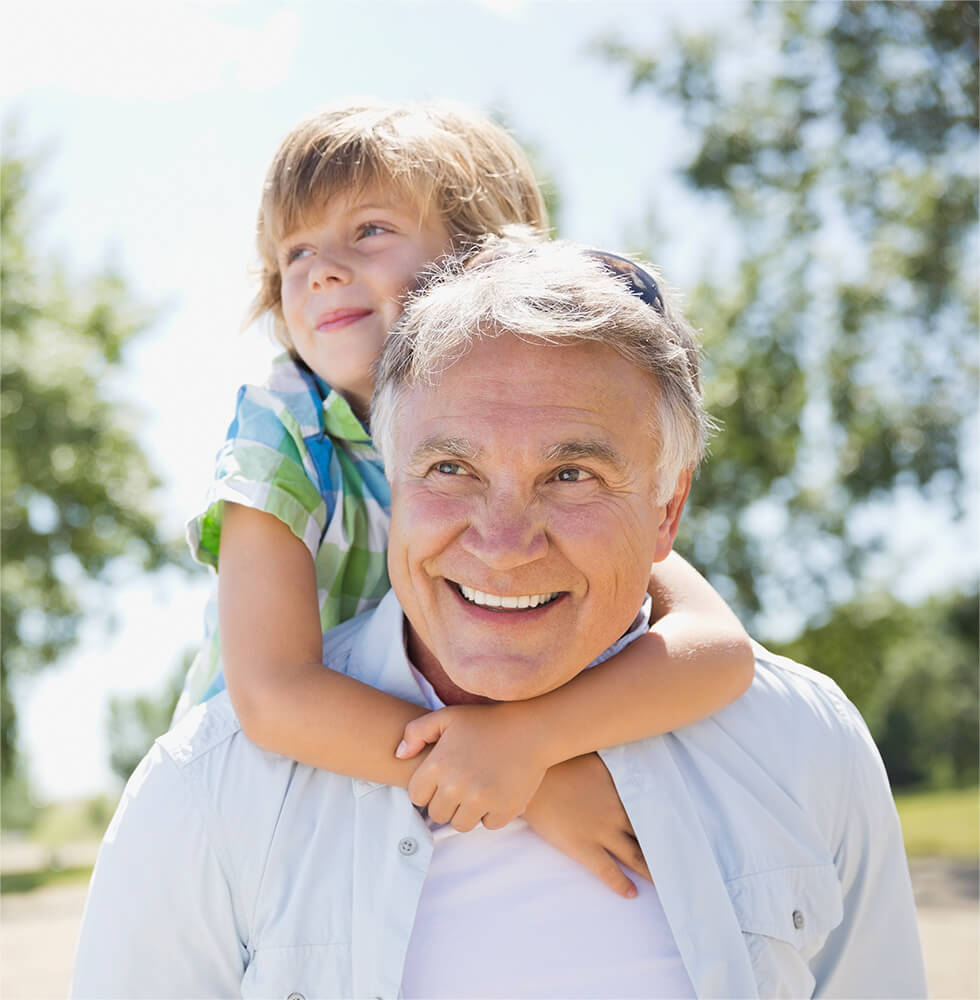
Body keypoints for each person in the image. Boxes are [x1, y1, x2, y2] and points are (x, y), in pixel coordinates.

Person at [72, 235, 926, 998]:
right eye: (450, 468)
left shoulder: (804, 749)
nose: (506, 543)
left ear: (668, 509)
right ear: (393, 482)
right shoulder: (208, 793)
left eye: (572, 476)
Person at [174, 99, 755, 892]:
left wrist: (532, 737)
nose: (320, 269)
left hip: (421, 773)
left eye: (368, 230)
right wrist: (530, 775)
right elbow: (275, 696)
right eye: (294, 251)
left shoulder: (545, 432)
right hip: (264, 806)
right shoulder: (282, 427)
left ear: (483, 260)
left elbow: (714, 652)